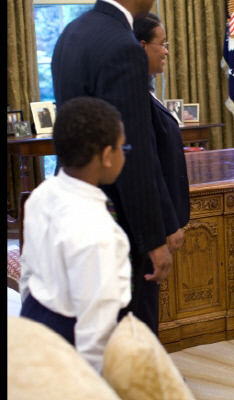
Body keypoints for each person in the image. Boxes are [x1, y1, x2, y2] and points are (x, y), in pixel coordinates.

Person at [51, 0, 178, 335]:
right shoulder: (123, 46)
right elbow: (132, 151)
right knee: (131, 328)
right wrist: (153, 239)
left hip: (76, 204)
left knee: (91, 322)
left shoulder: (71, 32)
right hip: (118, 218)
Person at [19, 96, 132, 374]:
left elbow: (27, 270)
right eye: (122, 147)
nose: (124, 154)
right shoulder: (99, 230)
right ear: (106, 156)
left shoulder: (42, 193)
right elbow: (96, 324)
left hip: (34, 314)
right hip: (71, 335)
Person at [133, 12, 190, 259]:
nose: (166, 51)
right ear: (142, 46)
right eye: (163, 43)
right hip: (153, 226)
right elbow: (149, 167)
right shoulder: (134, 97)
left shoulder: (145, 90)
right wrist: (167, 223)